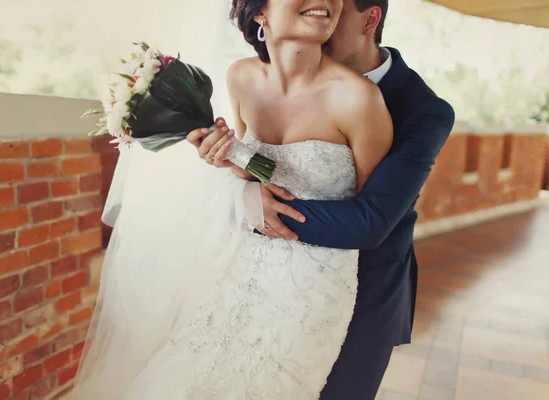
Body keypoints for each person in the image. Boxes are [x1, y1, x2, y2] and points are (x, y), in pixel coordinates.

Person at [74, 0, 394, 399]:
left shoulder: (361, 99)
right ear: (259, 12)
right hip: (239, 268)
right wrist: (226, 160)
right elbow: (259, 172)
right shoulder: (240, 77)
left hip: (314, 288)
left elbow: (372, 213)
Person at [188, 0, 455, 399]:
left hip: (361, 291)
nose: (321, 10)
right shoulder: (254, 76)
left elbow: (370, 222)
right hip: (259, 279)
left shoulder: (422, 110)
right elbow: (265, 169)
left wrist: (256, 212)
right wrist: (233, 171)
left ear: (370, 19)